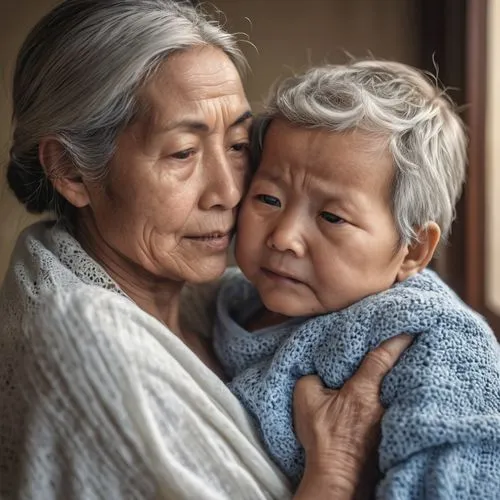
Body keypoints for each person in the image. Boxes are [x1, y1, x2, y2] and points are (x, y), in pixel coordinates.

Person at [0, 1, 413, 498]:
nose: (230, 191)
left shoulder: (227, 305)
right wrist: (338, 471)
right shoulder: (89, 344)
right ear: (70, 170)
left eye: (238, 145)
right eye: (183, 153)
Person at [213, 61, 500, 498]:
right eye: (268, 198)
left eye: (332, 216)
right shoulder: (226, 299)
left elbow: (460, 480)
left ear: (413, 249)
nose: (284, 237)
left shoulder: (432, 340)